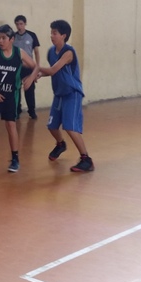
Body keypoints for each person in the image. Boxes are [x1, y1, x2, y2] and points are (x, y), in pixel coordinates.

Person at [0, 24, 39, 173]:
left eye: (3, 38)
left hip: (10, 95)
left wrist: (31, 78)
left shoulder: (19, 53)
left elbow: (35, 66)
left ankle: (15, 159)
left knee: (11, 125)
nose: (0, 41)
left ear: (12, 39)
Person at [37, 19, 94, 173]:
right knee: (52, 126)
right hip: (59, 93)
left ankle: (86, 159)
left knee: (70, 127)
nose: (51, 36)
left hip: (72, 93)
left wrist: (34, 68)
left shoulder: (68, 52)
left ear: (63, 35)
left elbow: (52, 70)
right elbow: (51, 71)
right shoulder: (51, 52)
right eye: (51, 33)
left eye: (55, 33)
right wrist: (39, 74)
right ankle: (61, 144)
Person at [13, 15, 41, 119]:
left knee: (29, 89)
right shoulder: (13, 37)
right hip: (16, 67)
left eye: (21, 24)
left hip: (29, 67)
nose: (19, 26)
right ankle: (17, 110)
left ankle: (31, 111)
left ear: (25, 24)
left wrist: (37, 67)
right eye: (17, 24)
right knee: (16, 89)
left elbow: (36, 52)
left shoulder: (32, 35)